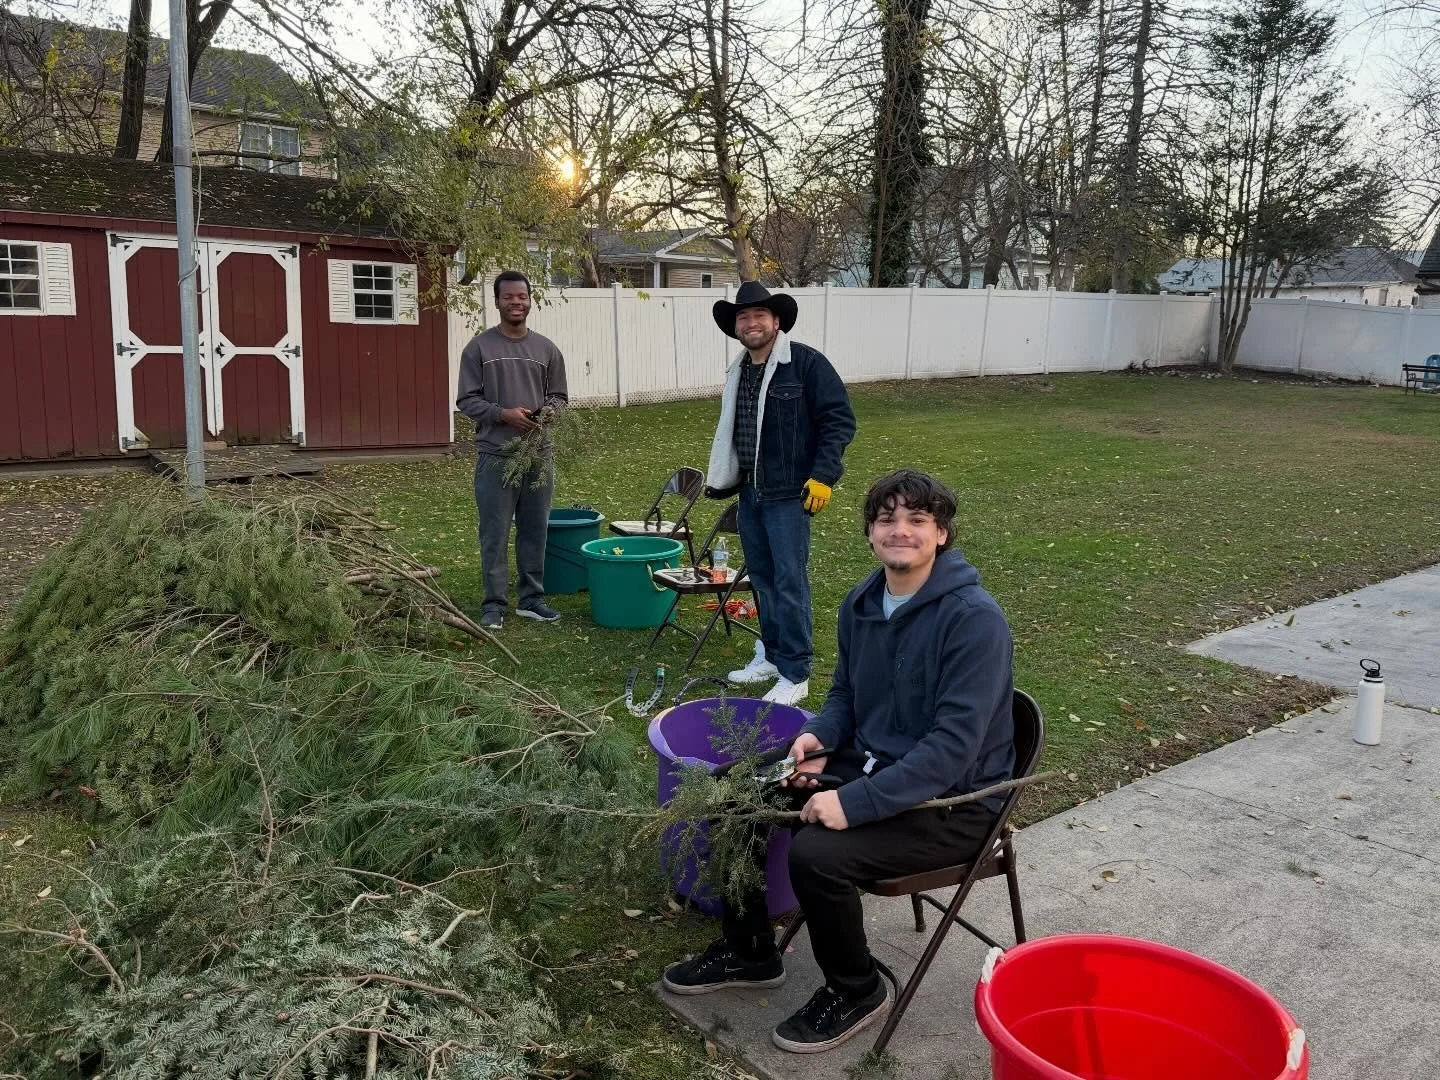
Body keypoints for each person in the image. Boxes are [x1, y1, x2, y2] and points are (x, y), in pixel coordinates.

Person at [661, 469, 1016, 1055]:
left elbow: (952, 751)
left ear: (942, 535)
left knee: (818, 854)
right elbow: (846, 697)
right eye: (886, 519)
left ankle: (858, 988)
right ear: (871, 532)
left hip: (957, 803)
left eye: (917, 520)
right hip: (870, 766)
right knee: (736, 796)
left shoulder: (973, 621)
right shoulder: (862, 601)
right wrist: (818, 737)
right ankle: (751, 951)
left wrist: (850, 802)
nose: (900, 531)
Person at [705, 281, 856, 706]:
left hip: (790, 495)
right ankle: (771, 655)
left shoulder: (806, 364)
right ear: (736, 327)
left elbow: (839, 421)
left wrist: (824, 475)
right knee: (763, 580)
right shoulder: (740, 370)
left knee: (789, 582)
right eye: (743, 317)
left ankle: (796, 672)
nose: (751, 323)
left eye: (759, 316)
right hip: (750, 493)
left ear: (776, 321)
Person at [456, 270, 568, 629]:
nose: (516, 302)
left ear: (529, 300)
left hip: (538, 455)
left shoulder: (546, 349)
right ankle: (493, 604)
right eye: (509, 297)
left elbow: (560, 397)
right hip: (495, 456)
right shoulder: (479, 348)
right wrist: (503, 415)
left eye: (522, 296)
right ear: (497, 301)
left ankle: (531, 599)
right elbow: (466, 400)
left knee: (535, 530)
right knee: (495, 532)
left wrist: (550, 411)